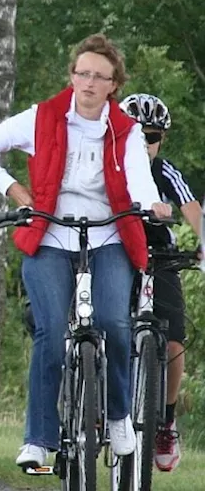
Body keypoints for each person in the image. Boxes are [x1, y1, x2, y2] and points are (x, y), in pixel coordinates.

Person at [0, 34, 171, 469]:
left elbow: (138, 177)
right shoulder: (42, 117)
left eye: (100, 76)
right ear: (72, 76)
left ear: (114, 85)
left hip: (108, 234)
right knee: (50, 331)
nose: (90, 83)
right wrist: (14, 190)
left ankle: (117, 415)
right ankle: (38, 440)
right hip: (50, 234)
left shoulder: (126, 130)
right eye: (83, 73)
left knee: (114, 322)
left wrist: (151, 204)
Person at [117, 92, 203, 472]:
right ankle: (98, 403)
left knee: (172, 341)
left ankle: (166, 421)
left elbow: (191, 209)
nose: (144, 145)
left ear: (161, 140)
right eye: (136, 136)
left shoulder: (164, 171)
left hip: (160, 256)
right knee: (106, 327)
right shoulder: (108, 167)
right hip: (115, 251)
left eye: (151, 138)